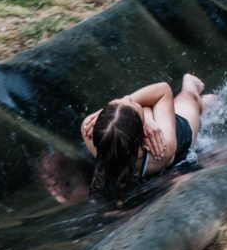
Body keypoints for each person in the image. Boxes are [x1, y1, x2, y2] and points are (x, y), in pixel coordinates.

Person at [79, 72, 213, 197]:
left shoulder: (90, 132)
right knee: (191, 100)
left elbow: (161, 91)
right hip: (172, 134)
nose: (127, 98)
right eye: (135, 105)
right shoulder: (160, 151)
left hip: (169, 132)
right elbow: (162, 91)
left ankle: (193, 88)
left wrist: (116, 110)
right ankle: (197, 92)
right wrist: (144, 114)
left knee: (190, 100)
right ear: (143, 135)